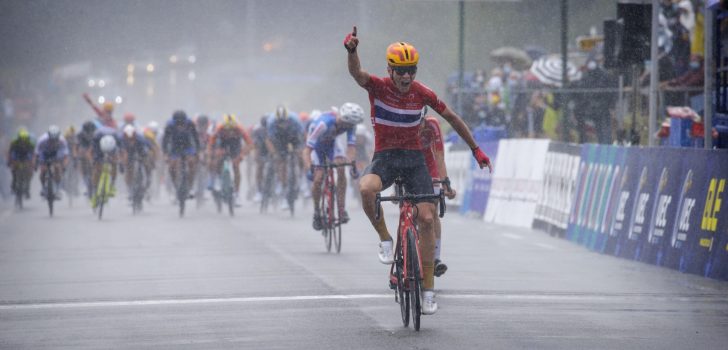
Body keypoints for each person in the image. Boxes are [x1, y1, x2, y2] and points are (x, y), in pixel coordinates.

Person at [344, 26, 491, 315]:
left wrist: (475, 149)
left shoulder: (422, 93)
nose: (406, 76)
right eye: (401, 71)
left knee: (427, 218)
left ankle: (427, 290)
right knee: (366, 189)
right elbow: (356, 73)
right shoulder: (378, 86)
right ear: (390, 70)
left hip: (414, 161)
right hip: (385, 157)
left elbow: (452, 117)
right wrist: (352, 52)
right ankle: (386, 239)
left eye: (411, 70)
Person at [303, 102, 364, 230]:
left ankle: (341, 210)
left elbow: (351, 148)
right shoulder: (323, 124)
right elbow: (307, 150)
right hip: (317, 147)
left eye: (351, 125)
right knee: (318, 178)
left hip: (332, 144)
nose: (348, 127)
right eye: (346, 124)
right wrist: (309, 167)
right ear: (341, 118)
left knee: (341, 168)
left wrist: (351, 164)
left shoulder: (350, 124)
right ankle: (317, 213)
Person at [419, 115, 457, 277]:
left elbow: (439, 155)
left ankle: (435, 258)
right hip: (406, 167)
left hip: (429, 167)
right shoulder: (403, 123)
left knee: (432, 212)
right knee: (407, 209)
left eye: (420, 122)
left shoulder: (432, 124)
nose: (418, 127)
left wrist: (445, 183)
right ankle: (402, 255)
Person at [208, 114, 253, 206]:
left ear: (235, 126)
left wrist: (241, 155)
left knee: (236, 166)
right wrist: (212, 154)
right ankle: (218, 179)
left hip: (235, 146)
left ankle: (236, 194)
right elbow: (211, 143)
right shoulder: (220, 128)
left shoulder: (240, 129)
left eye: (232, 129)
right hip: (222, 144)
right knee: (218, 159)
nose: (229, 131)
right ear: (224, 126)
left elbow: (250, 144)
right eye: (227, 129)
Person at [265, 105, 304, 208]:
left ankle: (301, 177)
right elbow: (269, 140)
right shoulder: (272, 121)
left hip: (293, 136)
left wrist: (300, 150)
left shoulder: (295, 120)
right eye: (280, 122)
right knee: (281, 161)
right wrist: (274, 153)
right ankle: (283, 186)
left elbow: (303, 136)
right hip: (279, 139)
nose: (282, 124)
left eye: (284, 122)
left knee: (300, 156)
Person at [162, 110, 200, 199]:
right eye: (178, 124)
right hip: (175, 147)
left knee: (191, 163)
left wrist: (197, 152)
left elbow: (195, 138)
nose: (180, 126)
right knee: (171, 167)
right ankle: (176, 187)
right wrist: (165, 154)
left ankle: (190, 187)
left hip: (187, 146)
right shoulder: (170, 125)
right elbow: (165, 140)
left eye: (182, 123)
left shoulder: (190, 124)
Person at [34, 125, 70, 199]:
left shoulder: (62, 141)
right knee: (43, 170)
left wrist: (64, 166)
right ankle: (43, 187)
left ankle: (57, 188)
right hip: (44, 153)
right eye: (52, 140)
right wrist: (35, 164)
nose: (53, 141)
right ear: (49, 136)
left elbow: (66, 156)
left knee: (57, 168)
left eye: (55, 140)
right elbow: (36, 154)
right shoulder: (42, 140)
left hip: (56, 153)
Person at [119, 124, 153, 200]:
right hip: (129, 155)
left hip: (140, 153)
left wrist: (149, 157)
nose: (130, 139)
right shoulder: (121, 139)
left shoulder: (140, 138)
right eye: (128, 138)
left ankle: (147, 179)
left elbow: (150, 146)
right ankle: (130, 189)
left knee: (147, 164)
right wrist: (121, 163)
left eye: (132, 138)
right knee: (128, 171)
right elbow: (120, 152)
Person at [90, 124, 120, 200]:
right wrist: (93, 161)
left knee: (114, 163)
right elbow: (91, 151)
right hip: (99, 148)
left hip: (111, 145)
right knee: (97, 167)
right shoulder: (96, 139)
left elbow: (121, 152)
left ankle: (112, 185)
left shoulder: (116, 138)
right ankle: (94, 187)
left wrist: (120, 162)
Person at [7, 127, 35, 199]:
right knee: (14, 171)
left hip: (26, 156)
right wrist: (10, 161)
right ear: (19, 138)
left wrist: (32, 163)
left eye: (24, 139)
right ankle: (13, 186)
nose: (23, 141)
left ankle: (27, 189)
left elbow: (32, 154)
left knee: (29, 173)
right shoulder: (14, 142)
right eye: (21, 140)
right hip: (17, 156)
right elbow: (11, 152)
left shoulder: (30, 143)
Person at [75, 121, 97, 197]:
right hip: (84, 149)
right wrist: (76, 157)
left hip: (93, 149)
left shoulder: (97, 134)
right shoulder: (79, 135)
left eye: (92, 132)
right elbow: (76, 147)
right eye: (88, 132)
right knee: (82, 165)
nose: (90, 134)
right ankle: (86, 183)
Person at [251, 116, 269, 202]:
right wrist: (256, 156)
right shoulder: (257, 131)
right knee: (259, 168)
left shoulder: (272, 129)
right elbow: (255, 145)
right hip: (261, 151)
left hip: (271, 151)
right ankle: (259, 191)